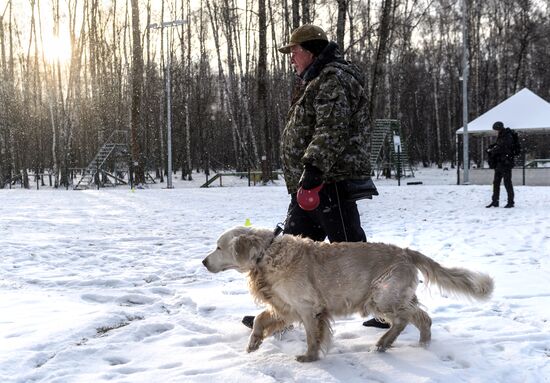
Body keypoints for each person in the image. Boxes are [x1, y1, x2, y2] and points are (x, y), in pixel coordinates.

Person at [242, 24, 388, 329]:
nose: (291, 58)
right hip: (313, 182)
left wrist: (313, 170)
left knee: (351, 250)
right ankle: (284, 312)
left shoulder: (333, 79)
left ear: (309, 50)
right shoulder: (315, 79)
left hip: (328, 180)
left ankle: (393, 305)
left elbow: (331, 128)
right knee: (291, 251)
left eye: (294, 52)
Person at [486, 121, 515, 208]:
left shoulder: (507, 135)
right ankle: (495, 201)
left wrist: (493, 150)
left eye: (496, 129)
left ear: (499, 128)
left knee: (507, 183)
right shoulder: (502, 135)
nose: (496, 131)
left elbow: (504, 147)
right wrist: (492, 148)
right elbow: (499, 146)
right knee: (496, 183)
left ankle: (510, 202)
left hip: (506, 163)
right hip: (500, 163)